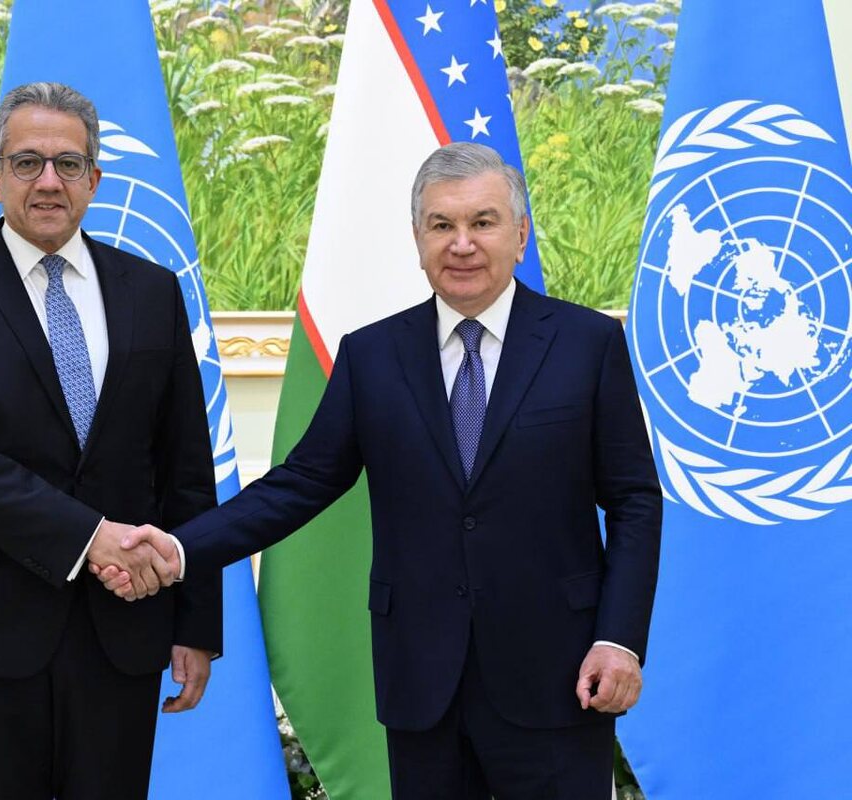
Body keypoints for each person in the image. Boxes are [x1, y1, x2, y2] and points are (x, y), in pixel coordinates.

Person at [103, 142, 662, 799]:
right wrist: (177, 548)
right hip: (423, 681)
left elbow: (634, 502)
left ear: (520, 235)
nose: (461, 243)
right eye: (441, 224)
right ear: (418, 239)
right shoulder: (372, 356)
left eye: (482, 222)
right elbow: (300, 483)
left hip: (559, 674)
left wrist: (618, 641)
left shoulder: (587, 345)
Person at [0, 81, 222, 799]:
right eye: (28, 162)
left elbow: (186, 468)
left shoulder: (152, 291)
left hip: (124, 627)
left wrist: (196, 623)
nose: (48, 181)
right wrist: (89, 538)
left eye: (68, 164)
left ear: (94, 181)